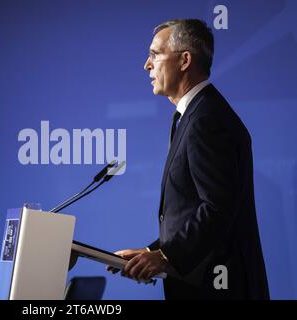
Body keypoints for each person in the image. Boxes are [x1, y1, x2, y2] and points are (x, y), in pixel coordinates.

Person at [108, 19, 269, 299]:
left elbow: (217, 208)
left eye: (155, 54)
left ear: (184, 60)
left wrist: (167, 256)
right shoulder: (195, 114)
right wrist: (152, 252)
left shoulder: (206, 119)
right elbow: (191, 211)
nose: (147, 65)